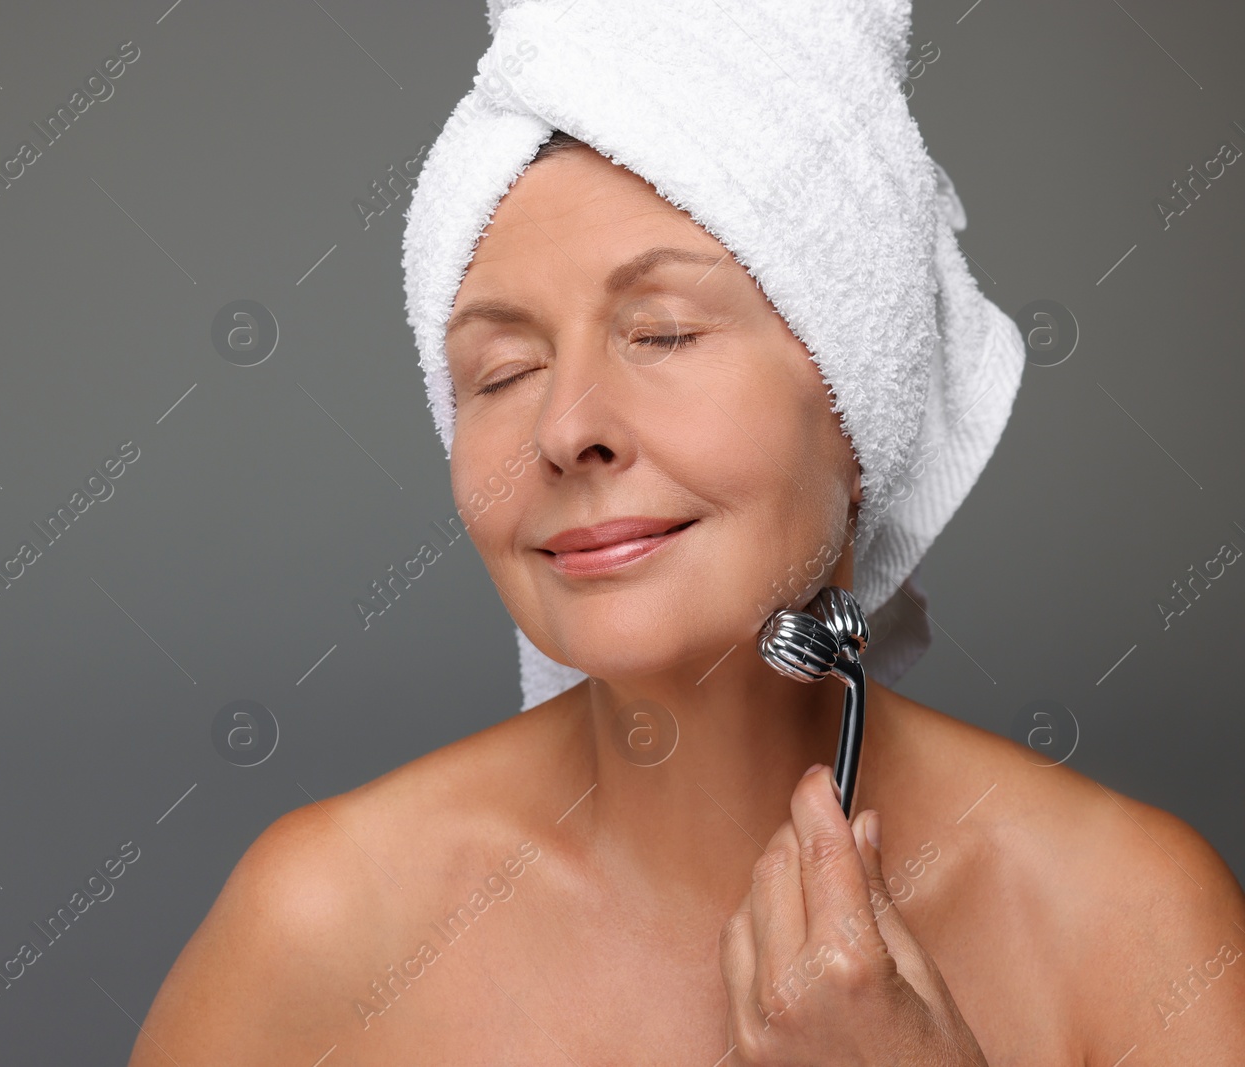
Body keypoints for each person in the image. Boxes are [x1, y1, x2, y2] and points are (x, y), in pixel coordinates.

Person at [128, 2, 1245, 1062]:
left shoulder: (1126, 923)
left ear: (864, 401)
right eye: (501, 370)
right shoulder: (323, 931)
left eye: (660, 333)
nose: (564, 430)